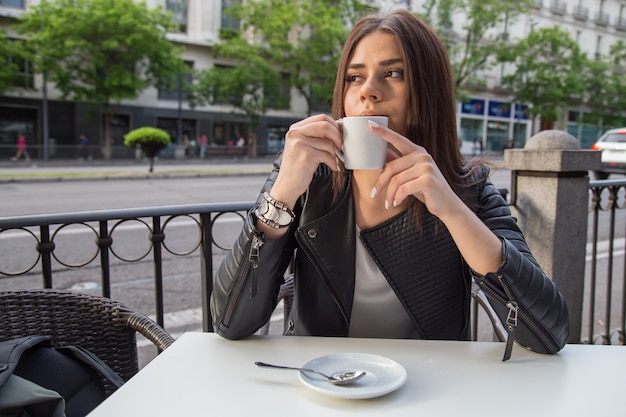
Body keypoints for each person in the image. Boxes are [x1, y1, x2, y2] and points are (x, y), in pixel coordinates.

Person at [210, 10, 569, 360]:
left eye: (393, 73)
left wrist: (452, 210)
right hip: (324, 382)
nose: (368, 91)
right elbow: (230, 322)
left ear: (428, 94)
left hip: (433, 387)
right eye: (354, 77)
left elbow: (549, 334)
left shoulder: (467, 190)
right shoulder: (308, 178)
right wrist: (282, 193)